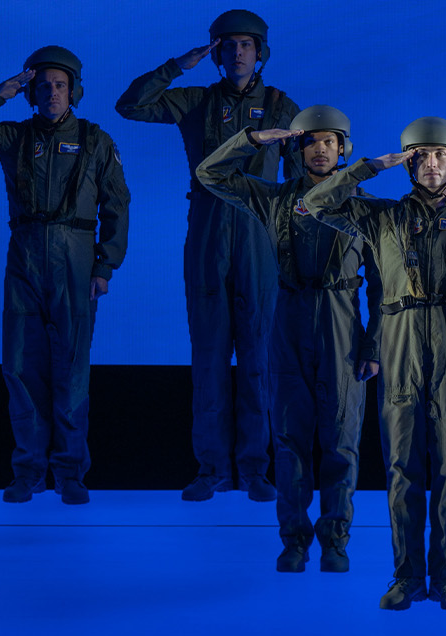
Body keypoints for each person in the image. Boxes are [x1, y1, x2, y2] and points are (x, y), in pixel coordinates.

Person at [303, 116, 446, 611]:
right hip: (399, 342)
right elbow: (316, 202)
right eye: (421, 155)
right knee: (401, 468)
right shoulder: (381, 216)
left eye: (440, 154)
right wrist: (370, 167)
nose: (432, 163)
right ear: (408, 163)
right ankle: (407, 577)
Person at [115, 9, 300, 501]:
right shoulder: (196, 100)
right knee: (210, 356)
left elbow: (302, 182)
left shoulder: (282, 107)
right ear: (216, 52)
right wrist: (178, 65)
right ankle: (211, 468)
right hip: (207, 230)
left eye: (246, 45)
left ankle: (255, 469)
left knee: (259, 356)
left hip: (259, 234)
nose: (237, 53)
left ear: (260, 52)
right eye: (228, 45)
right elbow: (130, 105)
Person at [195, 105, 379, 572]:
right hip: (287, 325)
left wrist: (374, 345)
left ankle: (335, 542)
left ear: (344, 149)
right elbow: (209, 174)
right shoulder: (274, 199)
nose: (320, 149)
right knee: (289, 440)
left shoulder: (364, 207)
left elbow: (383, 286)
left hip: (341, 326)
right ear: (297, 150)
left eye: (329, 141)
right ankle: (294, 541)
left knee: (341, 441)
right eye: (310, 141)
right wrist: (253, 140)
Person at [0, 47, 129, 505]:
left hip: (76, 258)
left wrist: (105, 266)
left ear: (74, 92)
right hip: (25, 256)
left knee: (71, 369)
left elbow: (117, 205)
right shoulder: (14, 136)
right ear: (31, 92)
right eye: (44, 86)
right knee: (20, 366)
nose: (52, 92)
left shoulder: (96, 141)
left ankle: (70, 472)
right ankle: (28, 471)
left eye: (61, 85)